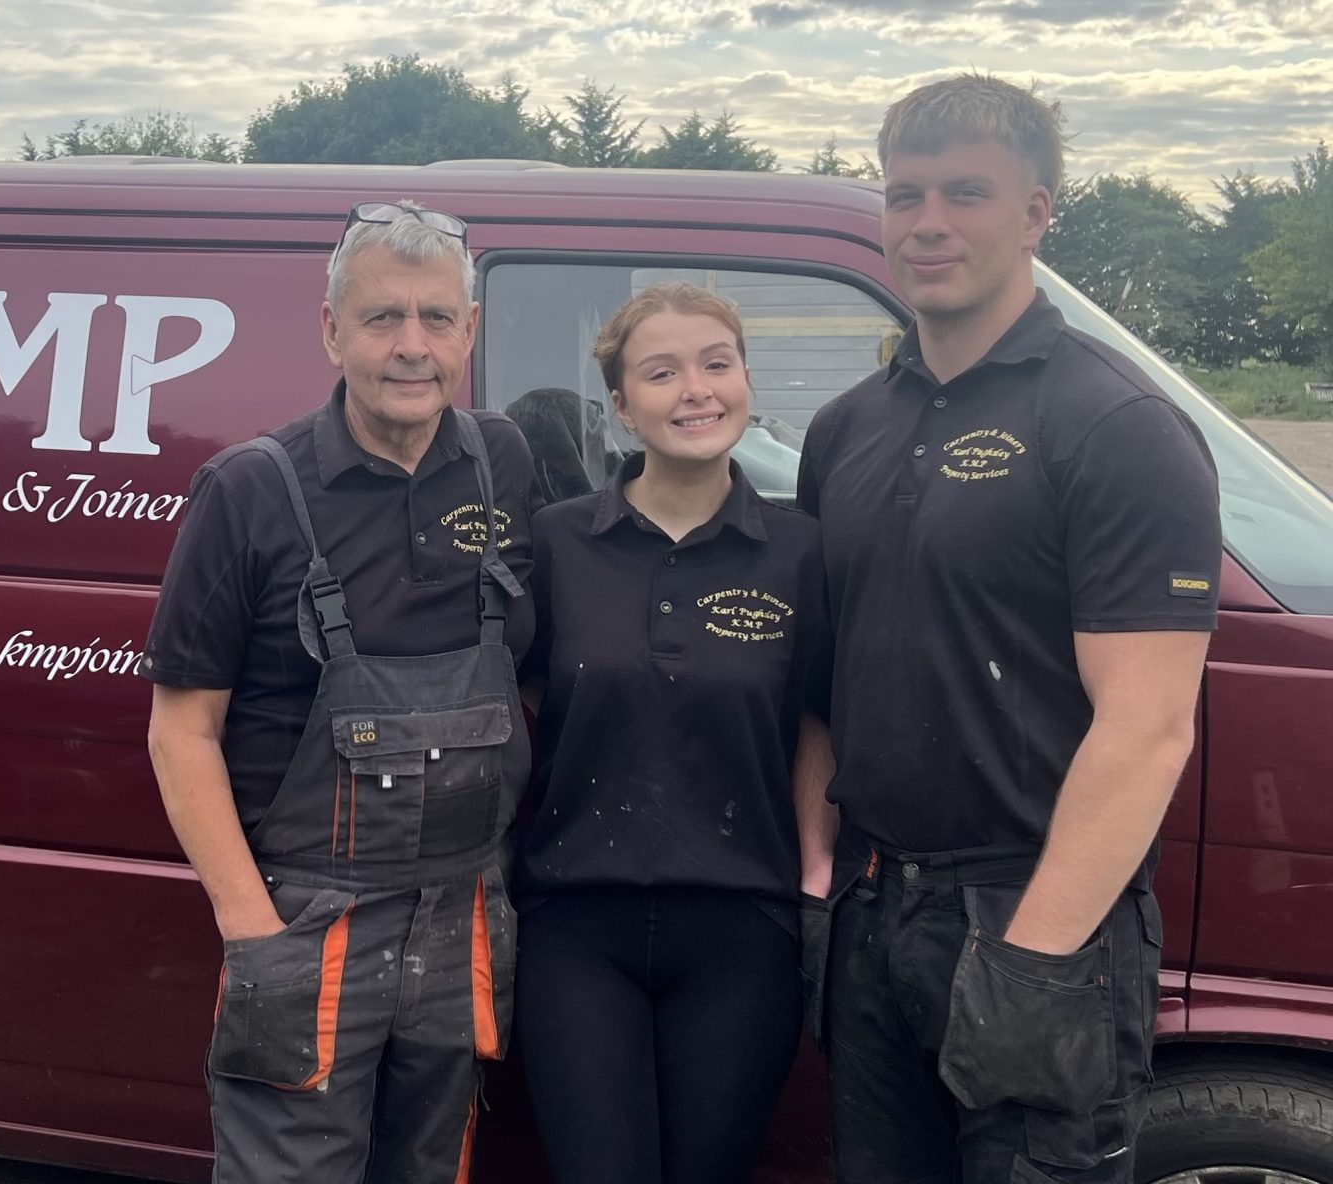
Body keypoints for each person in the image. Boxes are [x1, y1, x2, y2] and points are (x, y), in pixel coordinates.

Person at [794, 75, 1223, 1183]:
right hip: (873, 913)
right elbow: (824, 690)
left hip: (1033, 913)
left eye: (964, 193)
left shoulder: (1114, 424)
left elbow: (1148, 726)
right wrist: (819, 888)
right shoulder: (846, 430)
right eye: (903, 196)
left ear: (1035, 211)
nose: (926, 223)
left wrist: (1032, 957)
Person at [141, 199, 541, 1184]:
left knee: (432, 1166)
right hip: (311, 922)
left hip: (458, 921)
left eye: (436, 318)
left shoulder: (506, 466)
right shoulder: (250, 490)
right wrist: (253, 930)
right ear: (331, 330)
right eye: (382, 318)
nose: (413, 346)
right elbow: (181, 731)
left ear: (469, 331)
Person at [514, 283, 833, 1184]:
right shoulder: (557, 543)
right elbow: (527, 702)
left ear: (744, 381)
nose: (695, 390)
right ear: (622, 406)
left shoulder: (800, 553)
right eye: (662, 373)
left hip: (742, 931)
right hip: (576, 928)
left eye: (715, 364)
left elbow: (817, 715)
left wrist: (812, 871)